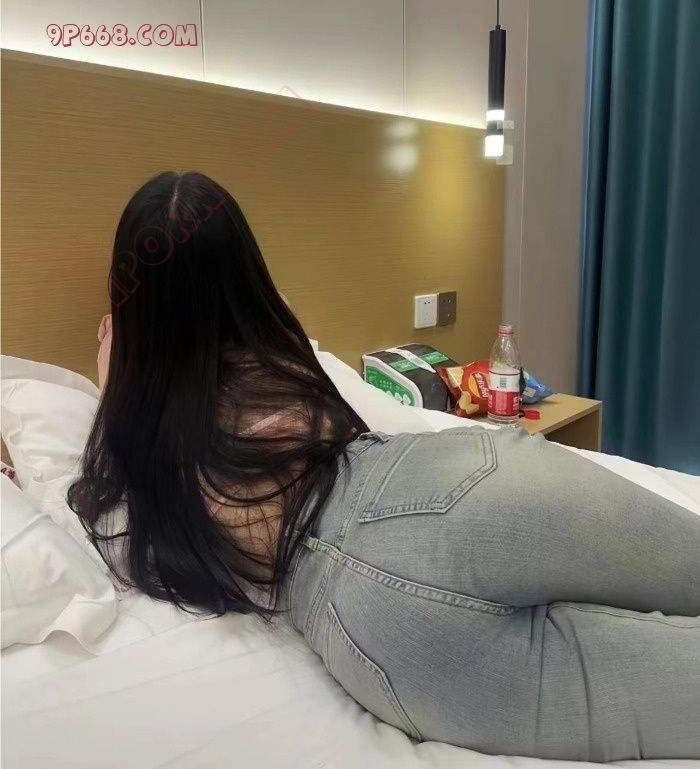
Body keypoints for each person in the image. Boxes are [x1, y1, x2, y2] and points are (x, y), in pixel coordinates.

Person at [69, 172, 700, 762]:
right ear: (245, 271)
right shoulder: (276, 347)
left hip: (371, 630)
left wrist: (118, 371)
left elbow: (120, 507)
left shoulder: (137, 442)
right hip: (437, 491)